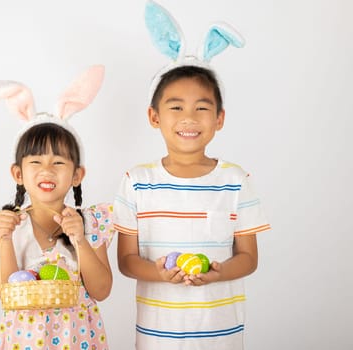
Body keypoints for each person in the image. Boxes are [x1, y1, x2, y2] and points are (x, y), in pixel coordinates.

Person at [113, 2, 271, 349]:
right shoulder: (137, 181)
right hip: (157, 336)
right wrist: (159, 273)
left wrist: (219, 273)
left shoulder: (235, 179)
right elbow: (126, 261)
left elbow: (248, 258)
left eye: (202, 108)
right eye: (176, 108)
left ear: (219, 118)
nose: (189, 118)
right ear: (154, 117)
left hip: (222, 334)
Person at [0, 65, 115, 349]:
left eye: (58, 162)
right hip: (24, 341)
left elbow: (101, 290)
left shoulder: (91, 222)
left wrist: (80, 240)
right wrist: (3, 239)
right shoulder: (9, 226)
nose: (47, 171)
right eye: (35, 162)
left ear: (77, 175)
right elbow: (6, 294)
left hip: (78, 339)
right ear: (18, 174)